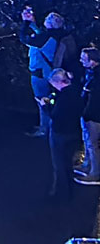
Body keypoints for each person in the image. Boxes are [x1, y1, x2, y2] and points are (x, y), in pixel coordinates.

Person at [43, 67, 84, 199]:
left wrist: (45, 106)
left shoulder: (63, 99)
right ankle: (70, 188)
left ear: (59, 82)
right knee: (68, 161)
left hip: (60, 134)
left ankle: (61, 193)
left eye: (53, 84)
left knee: (59, 163)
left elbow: (55, 116)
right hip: (74, 131)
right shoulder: (76, 91)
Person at [80, 47, 100, 184]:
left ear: (92, 61)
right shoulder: (91, 73)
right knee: (87, 141)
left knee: (92, 144)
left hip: (93, 115)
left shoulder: (96, 78)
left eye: (83, 59)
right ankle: (87, 164)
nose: (80, 60)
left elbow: (94, 100)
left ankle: (95, 173)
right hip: (88, 113)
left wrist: (87, 113)